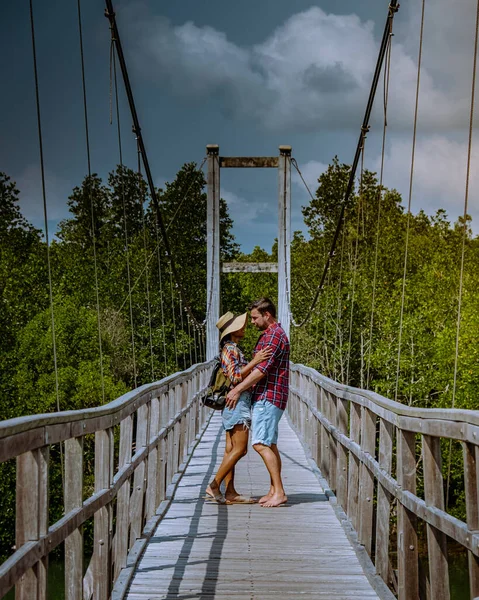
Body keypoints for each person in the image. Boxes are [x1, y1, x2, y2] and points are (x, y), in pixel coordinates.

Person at [225, 298, 290, 508]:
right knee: (269, 443)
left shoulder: (273, 337)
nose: (252, 322)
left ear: (267, 315)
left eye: (254, 317)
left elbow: (261, 371)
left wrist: (236, 389)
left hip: (268, 396)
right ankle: (274, 489)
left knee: (260, 443)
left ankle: (279, 491)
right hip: (269, 396)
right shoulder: (272, 335)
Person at [205, 311, 272, 505]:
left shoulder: (233, 348)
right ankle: (215, 485)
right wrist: (256, 361)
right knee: (241, 449)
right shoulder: (230, 349)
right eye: (241, 326)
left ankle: (231, 492)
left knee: (230, 449)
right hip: (237, 402)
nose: (245, 327)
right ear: (233, 330)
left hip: (233, 403)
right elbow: (235, 377)